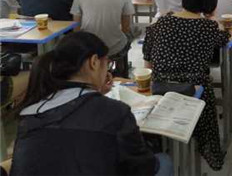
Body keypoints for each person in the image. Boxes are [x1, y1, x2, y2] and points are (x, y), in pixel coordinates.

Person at [10, 31, 171, 176]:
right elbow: (143, 167)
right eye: (107, 65)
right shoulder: (115, 112)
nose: (108, 72)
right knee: (163, 162)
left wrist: (95, 93)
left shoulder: (30, 114)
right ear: (94, 62)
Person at [143, 0, 228, 171]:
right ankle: (205, 153)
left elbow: (147, 61)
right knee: (205, 90)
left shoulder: (161, 23)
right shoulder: (209, 27)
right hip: (194, 91)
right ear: (211, 2)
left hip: (159, 88)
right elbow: (224, 39)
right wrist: (214, 19)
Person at [70, 0, 134, 77]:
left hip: (90, 48)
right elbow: (126, 28)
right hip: (114, 48)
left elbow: (76, 28)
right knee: (130, 34)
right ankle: (121, 72)